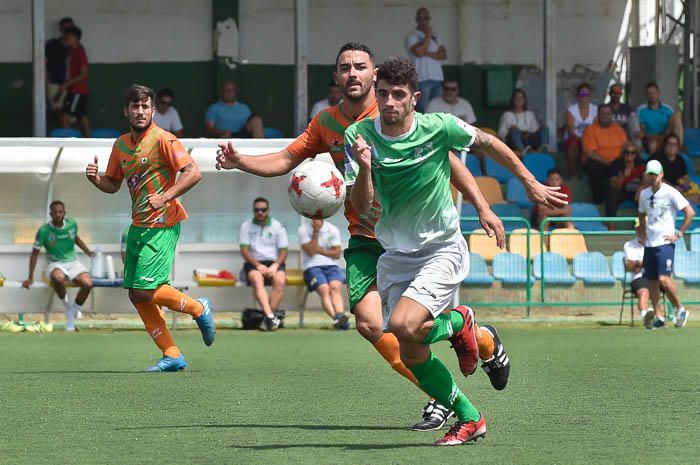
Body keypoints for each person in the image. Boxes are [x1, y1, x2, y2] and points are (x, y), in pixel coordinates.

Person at [216, 42, 503, 431]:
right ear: (336, 77)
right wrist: (241, 163)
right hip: (366, 238)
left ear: (374, 73)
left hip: (414, 239)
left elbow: (449, 161)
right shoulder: (327, 123)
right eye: (344, 68)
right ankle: (445, 392)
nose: (352, 73)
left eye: (360, 67)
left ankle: (470, 353)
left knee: (411, 327)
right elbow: (286, 159)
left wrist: (483, 206)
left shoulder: (392, 109)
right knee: (371, 324)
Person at [345, 56, 566, 446]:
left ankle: (459, 323)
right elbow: (362, 207)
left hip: (440, 249)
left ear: (414, 98)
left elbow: (489, 142)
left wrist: (528, 182)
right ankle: (470, 417)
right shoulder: (360, 136)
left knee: (401, 326)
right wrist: (364, 167)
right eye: (384, 95)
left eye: (399, 95)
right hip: (395, 254)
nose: (391, 102)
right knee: (412, 354)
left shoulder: (439, 127)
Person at [85, 84, 215, 372]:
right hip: (138, 226)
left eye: (145, 106)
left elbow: (193, 173)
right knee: (134, 293)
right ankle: (173, 355)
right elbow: (113, 183)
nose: (140, 111)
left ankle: (198, 308)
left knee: (144, 291)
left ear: (153, 110)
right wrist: (96, 180)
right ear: (126, 111)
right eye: (135, 106)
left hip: (163, 224)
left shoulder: (164, 140)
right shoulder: (119, 145)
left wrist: (166, 196)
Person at [638, 159, 694, 329]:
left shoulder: (671, 192)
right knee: (653, 281)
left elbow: (689, 212)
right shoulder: (644, 194)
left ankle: (680, 308)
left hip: (665, 243)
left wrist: (679, 233)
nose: (653, 177)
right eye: (651, 174)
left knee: (664, 279)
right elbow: (641, 214)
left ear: (661, 174)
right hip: (650, 243)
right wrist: (642, 232)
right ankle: (660, 316)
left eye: (656, 174)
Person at [22, 201, 94, 332]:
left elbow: (75, 238)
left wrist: (88, 252)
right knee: (58, 278)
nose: (57, 214)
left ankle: (73, 310)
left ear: (64, 213)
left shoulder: (72, 224)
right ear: (50, 214)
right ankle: (68, 307)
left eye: (60, 212)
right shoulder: (43, 231)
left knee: (88, 283)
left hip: (73, 263)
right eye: (54, 212)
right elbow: (34, 254)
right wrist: (30, 277)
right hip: (55, 264)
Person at [239, 197, 288, 331]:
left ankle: (267, 318)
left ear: (268, 210)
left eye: (263, 210)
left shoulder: (278, 226)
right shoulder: (246, 226)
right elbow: (244, 250)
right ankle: (271, 317)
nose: (260, 212)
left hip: (273, 262)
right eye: (257, 210)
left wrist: (275, 266)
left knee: (280, 280)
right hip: (254, 262)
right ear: (253, 211)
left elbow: (284, 251)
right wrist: (258, 265)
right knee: (256, 278)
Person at [298, 218, 349, 329]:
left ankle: (339, 318)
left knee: (335, 288)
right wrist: (316, 231)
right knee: (324, 289)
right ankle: (338, 319)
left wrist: (319, 250)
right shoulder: (303, 229)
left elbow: (336, 254)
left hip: (332, 266)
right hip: (312, 266)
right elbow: (311, 251)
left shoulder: (332, 229)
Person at [581, 104, 628, 204]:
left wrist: (616, 160)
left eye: (608, 113)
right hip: (598, 161)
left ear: (612, 115)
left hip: (616, 160)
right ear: (598, 115)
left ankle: (620, 198)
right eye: (602, 113)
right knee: (595, 169)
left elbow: (625, 146)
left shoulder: (618, 128)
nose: (605, 116)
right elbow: (589, 153)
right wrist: (607, 162)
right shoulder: (591, 129)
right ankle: (599, 201)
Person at [405, 7, 446, 113]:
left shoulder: (436, 36)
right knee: (423, 110)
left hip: (437, 78)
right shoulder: (412, 35)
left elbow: (443, 54)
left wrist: (427, 53)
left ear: (429, 19)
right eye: (420, 18)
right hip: (422, 78)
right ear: (416, 19)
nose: (423, 20)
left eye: (426, 18)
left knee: (437, 110)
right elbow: (418, 52)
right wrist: (428, 34)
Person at [58, 26, 90, 137]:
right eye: (64, 37)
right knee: (81, 115)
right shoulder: (71, 53)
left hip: (77, 90)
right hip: (74, 90)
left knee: (65, 116)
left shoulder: (79, 52)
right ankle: (89, 140)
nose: (65, 39)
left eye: (68, 37)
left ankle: (66, 141)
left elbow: (84, 74)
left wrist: (67, 84)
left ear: (75, 38)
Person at [651, 133, 700, 204]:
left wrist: (685, 186)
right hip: (662, 189)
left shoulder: (680, 160)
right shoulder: (656, 158)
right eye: (669, 144)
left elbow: (685, 176)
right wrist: (674, 188)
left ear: (678, 147)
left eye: (674, 144)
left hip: (679, 189)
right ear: (664, 145)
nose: (672, 147)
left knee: (696, 196)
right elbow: (654, 178)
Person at [497, 89, 548, 155]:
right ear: (513, 100)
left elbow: (535, 131)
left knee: (544, 128)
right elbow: (501, 134)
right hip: (515, 140)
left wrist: (527, 134)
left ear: (524, 100)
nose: (519, 100)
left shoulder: (529, 114)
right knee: (513, 129)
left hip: (529, 139)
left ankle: (543, 150)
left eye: (521, 98)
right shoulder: (507, 115)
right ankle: (524, 151)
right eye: (517, 98)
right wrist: (515, 131)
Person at [637, 82, 684, 154]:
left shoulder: (667, 108)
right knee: (653, 145)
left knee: (676, 118)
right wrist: (656, 137)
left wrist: (666, 137)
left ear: (658, 93)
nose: (652, 95)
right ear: (646, 95)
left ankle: (678, 146)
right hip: (651, 138)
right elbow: (643, 131)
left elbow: (673, 126)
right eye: (649, 93)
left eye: (654, 93)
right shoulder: (641, 110)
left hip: (666, 136)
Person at [563, 83, 597, 178]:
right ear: (578, 95)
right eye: (582, 94)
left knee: (590, 147)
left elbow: (595, 130)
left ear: (589, 95)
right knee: (573, 145)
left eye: (586, 94)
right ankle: (573, 173)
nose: (584, 97)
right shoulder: (571, 110)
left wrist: (586, 142)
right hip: (574, 138)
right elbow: (571, 132)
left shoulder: (595, 110)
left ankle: (586, 173)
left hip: (590, 139)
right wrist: (583, 141)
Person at [606, 142, 645, 218]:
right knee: (612, 194)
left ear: (636, 154)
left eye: (632, 152)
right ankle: (611, 224)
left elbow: (648, 181)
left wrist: (641, 187)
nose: (629, 155)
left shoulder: (641, 164)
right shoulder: (616, 164)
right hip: (622, 192)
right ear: (623, 153)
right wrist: (623, 177)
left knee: (647, 194)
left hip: (637, 191)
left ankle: (640, 223)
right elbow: (614, 186)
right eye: (627, 152)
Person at [623, 218, 651, 322]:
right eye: (639, 228)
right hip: (638, 278)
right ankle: (645, 316)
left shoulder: (655, 243)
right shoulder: (629, 245)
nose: (642, 230)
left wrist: (639, 263)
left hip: (654, 277)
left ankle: (670, 315)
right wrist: (646, 262)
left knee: (667, 283)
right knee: (643, 291)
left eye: (644, 227)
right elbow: (630, 266)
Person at [45, 17, 74, 112]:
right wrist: (46, 81)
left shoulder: (77, 47)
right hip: (54, 84)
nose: (68, 30)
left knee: (69, 115)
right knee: (59, 111)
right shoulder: (52, 44)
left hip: (71, 85)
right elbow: (43, 63)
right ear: (60, 29)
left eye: (71, 27)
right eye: (66, 28)